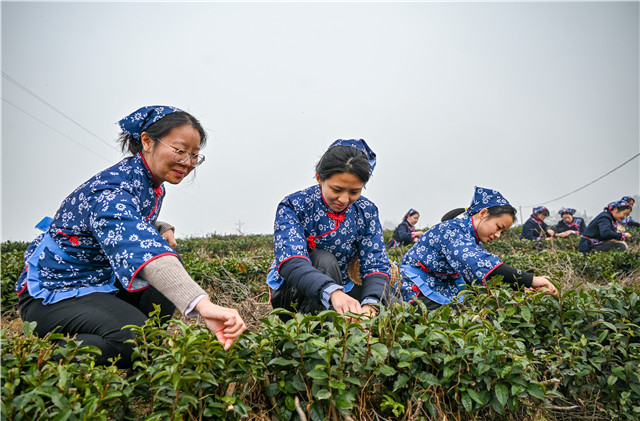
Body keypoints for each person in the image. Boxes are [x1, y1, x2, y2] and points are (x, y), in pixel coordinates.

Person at [15, 105, 246, 369]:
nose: (187, 163)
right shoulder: (111, 189)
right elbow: (139, 246)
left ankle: (143, 364)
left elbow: (124, 221)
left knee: (150, 323)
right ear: (147, 141)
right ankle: (36, 356)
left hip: (100, 284)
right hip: (56, 295)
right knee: (135, 341)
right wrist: (202, 305)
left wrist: (160, 227)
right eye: (180, 151)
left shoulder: (146, 180)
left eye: (194, 156)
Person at [267, 139, 392, 318]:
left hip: (344, 290)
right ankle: (318, 336)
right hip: (296, 292)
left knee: (388, 296)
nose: (344, 199)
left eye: (354, 192)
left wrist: (371, 304)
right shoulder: (295, 205)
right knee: (323, 259)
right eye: (337, 189)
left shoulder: (367, 211)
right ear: (319, 178)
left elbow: (375, 263)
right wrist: (332, 292)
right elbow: (291, 262)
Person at [399, 187, 557, 310]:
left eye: (502, 232)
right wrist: (531, 280)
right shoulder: (454, 229)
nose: (498, 235)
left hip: (438, 283)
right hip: (416, 285)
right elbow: (481, 263)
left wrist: (523, 286)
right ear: (483, 213)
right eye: (498, 227)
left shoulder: (468, 235)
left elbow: (477, 274)